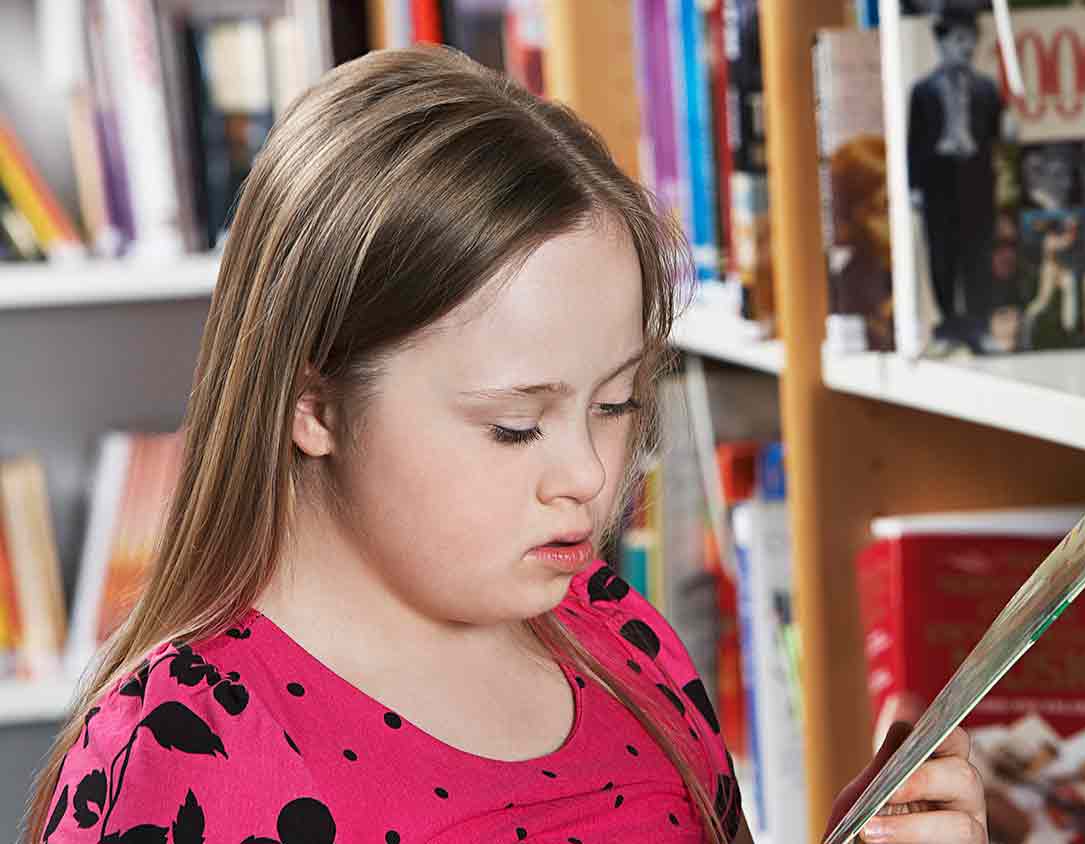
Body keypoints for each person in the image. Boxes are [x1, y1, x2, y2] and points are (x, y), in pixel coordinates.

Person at [23, 48, 985, 844]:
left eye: (615, 404)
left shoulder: (616, 636)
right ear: (312, 402)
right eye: (514, 425)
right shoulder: (181, 748)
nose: (591, 475)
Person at [906, 9, 1003, 356]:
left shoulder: (987, 89)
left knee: (977, 252)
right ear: (942, 42)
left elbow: (995, 136)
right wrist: (914, 188)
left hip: (976, 176)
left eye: (971, 39)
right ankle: (948, 323)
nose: (967, 47)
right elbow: (913, 143)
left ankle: (978, 324)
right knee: (942, 252)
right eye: (959, 39)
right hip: (939, 177)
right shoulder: (923, 90)